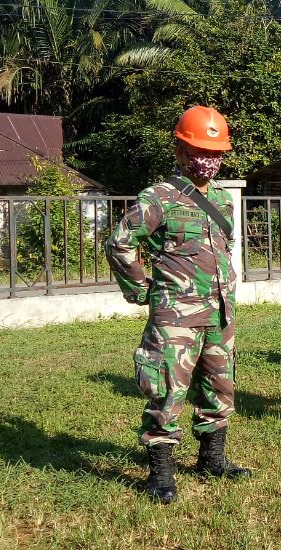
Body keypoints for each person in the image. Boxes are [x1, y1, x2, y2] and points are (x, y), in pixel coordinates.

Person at [106, 105, 250, 504]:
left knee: (219, 386)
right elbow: (120, 243)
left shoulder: (221, 200)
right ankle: (162, 473)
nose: (207, 161)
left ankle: (212, 459)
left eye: (215, 153)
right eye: (199, 152)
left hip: (220, 312)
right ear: (180, 151)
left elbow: (222, 250)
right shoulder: (158, 197)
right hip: (175, 317)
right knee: (168, 390)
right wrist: (142, 290)